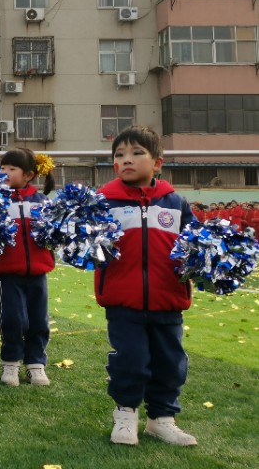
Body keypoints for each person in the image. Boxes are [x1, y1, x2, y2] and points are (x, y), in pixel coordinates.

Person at [96, 126, 197, 446]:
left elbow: (194, 246)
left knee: (170, 361)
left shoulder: (176, 203)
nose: (127, 160)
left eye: (137, 153)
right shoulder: (102, 202)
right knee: (130, 359)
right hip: (123, 301)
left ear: (157, 163)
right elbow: (93, 251)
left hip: (168, 300)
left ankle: (161, 419)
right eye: (119, 155)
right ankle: (125, 414)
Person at [0, 149, 56, 386]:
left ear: (28, 175)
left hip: (38, 273)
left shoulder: (42, 202)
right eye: (3, 168)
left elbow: (53, 236)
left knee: (39, 321)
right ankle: (10, 363)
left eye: (11, 169)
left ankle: (35, 364)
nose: (4, 172)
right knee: (13, 320)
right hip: (9, 273)